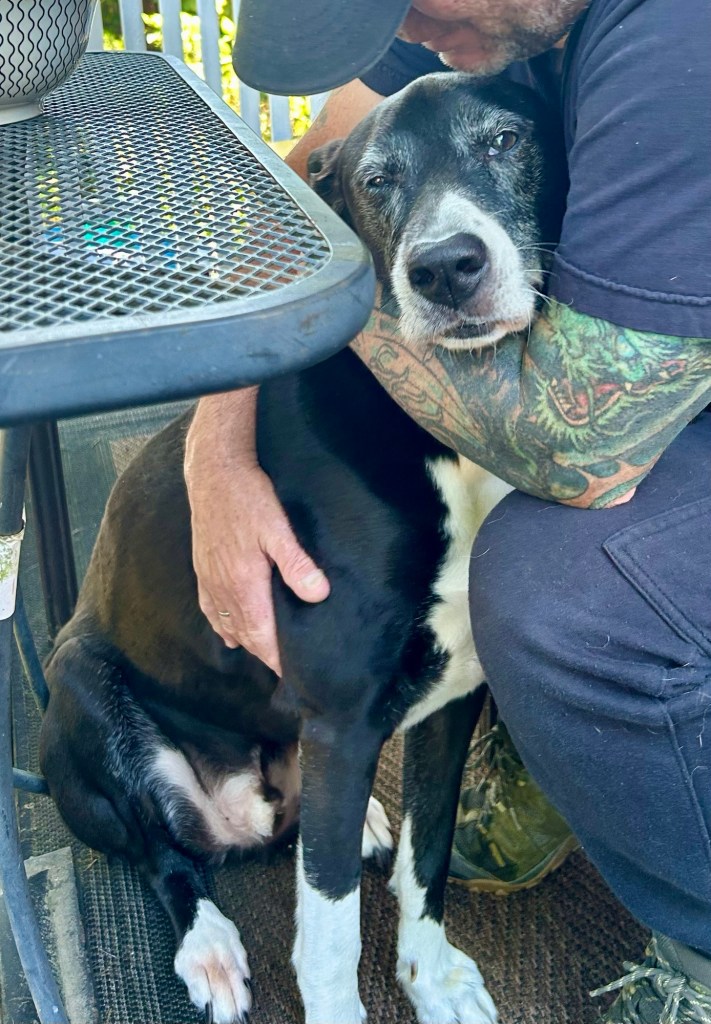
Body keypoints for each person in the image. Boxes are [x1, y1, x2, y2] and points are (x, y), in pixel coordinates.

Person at [185, 2, 711, 1020]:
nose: (415, 33)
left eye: (414, 1)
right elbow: (310, 168)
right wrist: (217, 442)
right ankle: (553, 735)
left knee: (556, 593)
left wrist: (354, 296)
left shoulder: (676, 31)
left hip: (647, 401)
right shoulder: (463, 19)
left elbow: (586, 449)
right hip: (646, 367)